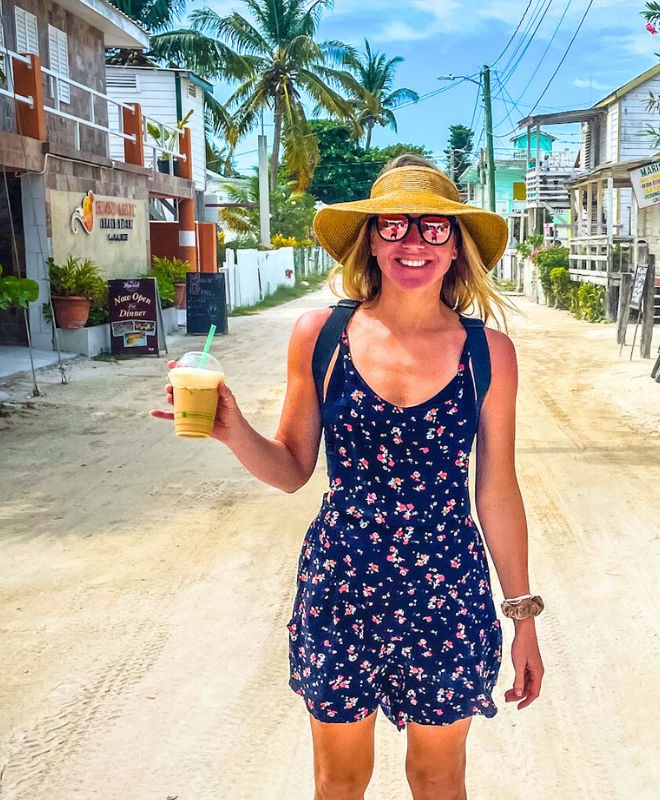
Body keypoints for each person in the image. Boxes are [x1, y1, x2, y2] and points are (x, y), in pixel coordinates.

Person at [152, 154, 544, 799]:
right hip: (342, 582)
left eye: (434, 229)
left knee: (438, 776)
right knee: (339, 779)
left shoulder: (487, 352)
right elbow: (290, 469)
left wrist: (523, 616)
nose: (412, 242)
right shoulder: (321, 334)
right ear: (370, 241)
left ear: (456, 249)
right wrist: (232, 430)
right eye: (392, 226)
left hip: (447, 585)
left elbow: (496, 487)